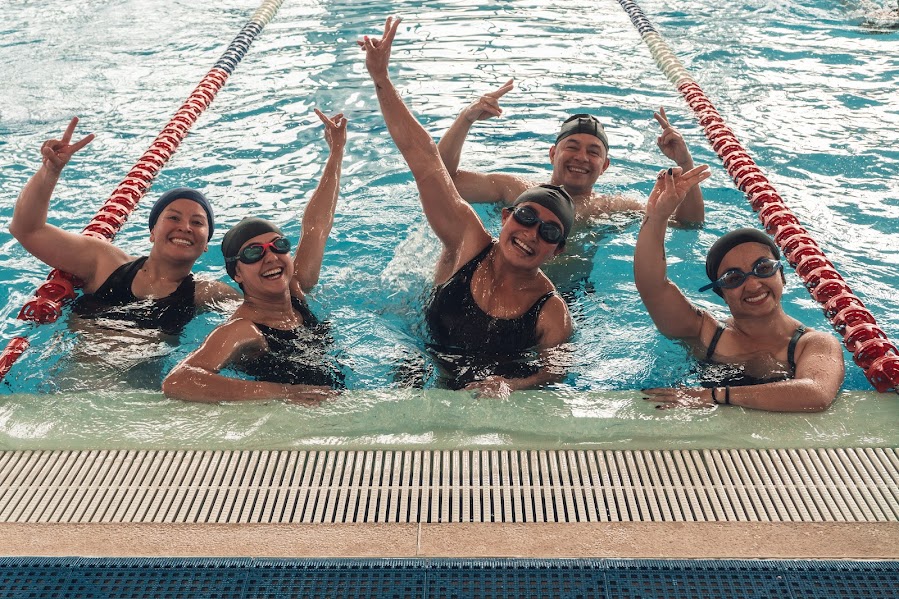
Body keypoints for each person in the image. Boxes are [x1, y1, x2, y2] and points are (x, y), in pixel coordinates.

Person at [360, 17, 573, 399]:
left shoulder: (551, 311)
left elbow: (553, 373)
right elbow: (425, 160)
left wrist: (512, 384)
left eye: (549, 231)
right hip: (423, 360)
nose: (531, 234)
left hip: (490, 390)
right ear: (506, 217)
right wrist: (381, 79)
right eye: (526, 217)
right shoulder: (467, 241)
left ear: (557, 250)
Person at [162, 110, 347, 403]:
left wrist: (336, 153)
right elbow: (179, 381)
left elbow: (317, 226)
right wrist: (285, 393)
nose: (270, 257)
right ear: (237, 273)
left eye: (278, 246)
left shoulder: (295, 290)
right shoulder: (243, 329)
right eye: (253, 253)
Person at [634, 167, 845, 412]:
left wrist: (713, 395)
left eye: (763, 268)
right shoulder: (705, 333)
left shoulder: (813, 344)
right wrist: (657, 218)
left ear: (782, 275)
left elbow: (816, 393)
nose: (753, 284)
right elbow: (653, 286)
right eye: (733, 278)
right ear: (721, 293)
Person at [9, 117, 241, 338]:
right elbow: (27, 230)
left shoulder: (207, 293)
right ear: (152, 232)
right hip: (74, 365)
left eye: (197, 222)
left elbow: (257, 319)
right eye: (173, 217)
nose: (185, 227)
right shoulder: (104, 263)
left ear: (206, 244)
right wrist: (50, 172)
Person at [437, 81, 705, 226]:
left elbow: (688, 224)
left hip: (571, 298)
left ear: (605, 166)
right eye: (572, 147)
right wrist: (466, 118)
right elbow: (439, 180)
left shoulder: (613, 208)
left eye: (593, 152)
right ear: (553, 154)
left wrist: (684, 161)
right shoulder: (513, 189)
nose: (581, 157)